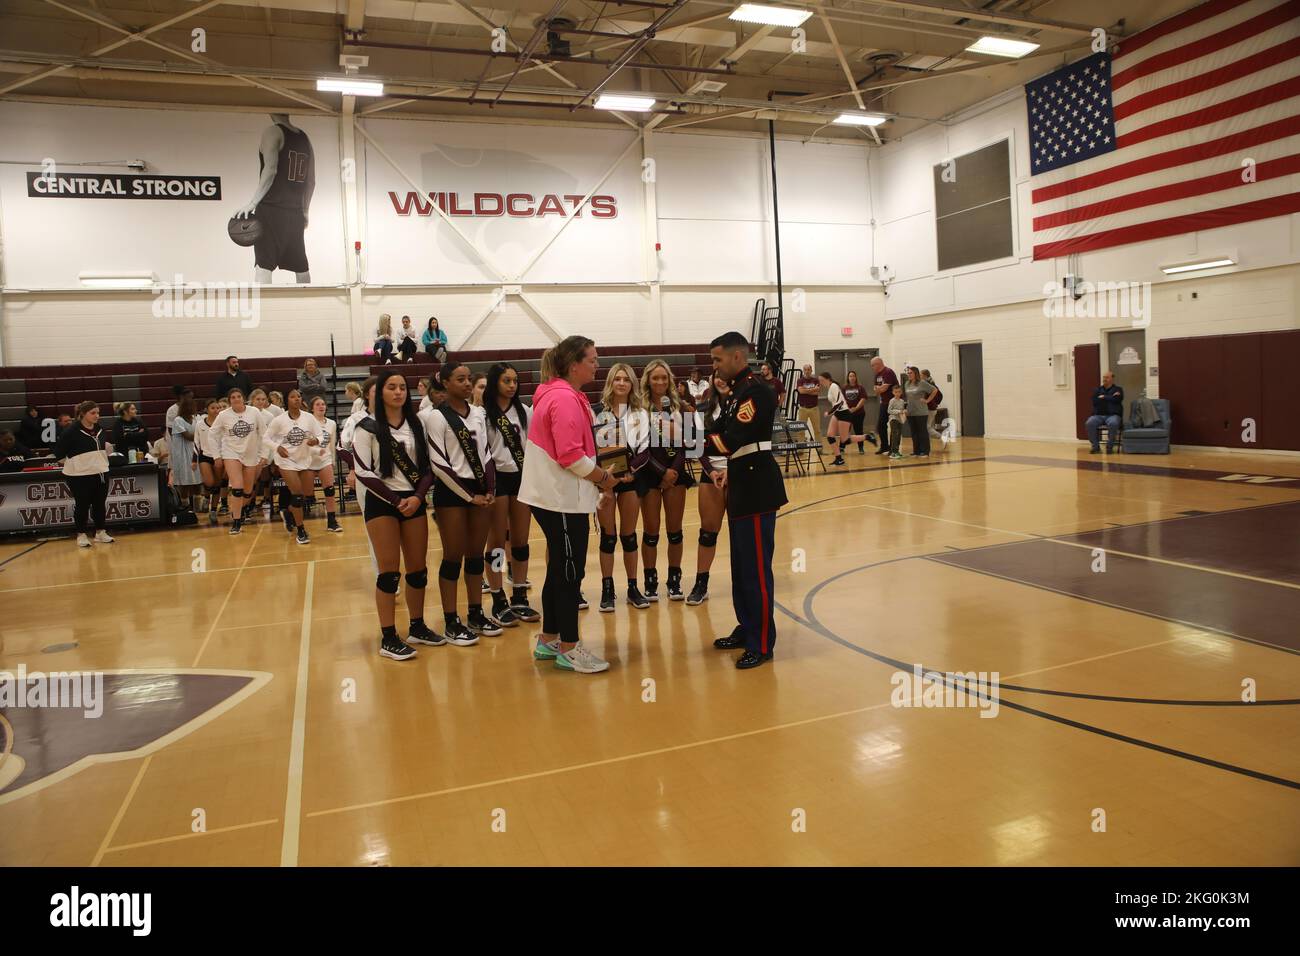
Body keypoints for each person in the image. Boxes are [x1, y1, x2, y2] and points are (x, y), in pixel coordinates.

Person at [517, 335, 619, 674]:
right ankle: (569, 647)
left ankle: (548, 639)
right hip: (559, 499)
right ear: (573, 364)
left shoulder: (563, 394)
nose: (597, 364)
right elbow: (570, 455)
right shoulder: (562, 399)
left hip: (559, 497)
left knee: (559, 568)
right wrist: (603, 479)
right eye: (592, 359)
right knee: (569, 572)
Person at [706, 332, 788, 669]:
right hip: (742, 481)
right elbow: (723, 429)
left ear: (738, 357)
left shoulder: (754, 391)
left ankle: (762, 641)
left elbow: (728, 439)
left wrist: (688, 438)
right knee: (741, 568)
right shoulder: (738, 391)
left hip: (756, 485)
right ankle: (748, 626)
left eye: (717, 359)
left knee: (755, 569)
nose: (714, 366)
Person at [352, 368, 438, 660]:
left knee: (418, 570)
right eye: (391, 387)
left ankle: (417, 626)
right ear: (380, 393)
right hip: (382, 504)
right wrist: (395, 500)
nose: (398, 392)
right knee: (389, 573)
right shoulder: (366, 427)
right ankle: (388, 636)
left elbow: (428, 468)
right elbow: (363, 470)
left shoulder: (416, 425)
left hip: (413, 502)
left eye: (402, 387)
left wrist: (416, 497)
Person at [420, 362, 500, 641]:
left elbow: (486, 453)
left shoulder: (477, 413)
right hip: (453, 494)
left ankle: (476, 613)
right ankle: (452, 619)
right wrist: (470, 496)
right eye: (460, 379)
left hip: (481, 492)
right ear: (445, 382)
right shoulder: (435, 417)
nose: (467, 384)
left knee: (476, 557)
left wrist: (489, 489)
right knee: (453, 557)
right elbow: (439, 465)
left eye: (469, 379)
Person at [482, 363, 540, 625]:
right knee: (495, 542)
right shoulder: (481, 415)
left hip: (521, 477)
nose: (512, 385)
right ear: (496, 383)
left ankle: (519, 595)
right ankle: (497, 597)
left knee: (520, 540)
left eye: (515, 381)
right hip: (496, 480)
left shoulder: (525, 411)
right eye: (506, 381)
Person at [593, 363, 650, 612]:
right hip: (604, 482)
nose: (622, 383)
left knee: (628, 536)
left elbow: (646, 449)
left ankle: (633, 587)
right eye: (617, 379)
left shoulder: (640, 413)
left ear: (632, 384)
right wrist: (605, 479)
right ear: (610, 383)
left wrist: (629, 472)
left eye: (626, 379)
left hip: (630, 481)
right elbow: (591, 448)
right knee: (608, 538)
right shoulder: (598, 413)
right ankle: (607, 589)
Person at [233, 112, 314, 284]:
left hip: (271, 209)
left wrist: (253, 203)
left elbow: (271, 169)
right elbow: (311, 181)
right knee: (301, 266)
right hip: (295, 212)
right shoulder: (305, 138)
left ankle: (264, 310)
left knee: (263, 266)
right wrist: (305, 210)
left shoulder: (272, 132)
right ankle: (306, 307)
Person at [637, 358, 694, 602]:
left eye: (664, 377)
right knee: (651, 532)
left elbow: (689, 443)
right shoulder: (638, 408)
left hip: (676, 472)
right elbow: (638, 448)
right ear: (648, 380)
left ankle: (674, 579)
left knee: (675, 531)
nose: (660, 381)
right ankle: (650, 579)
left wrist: (673, 472)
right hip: (650, 473)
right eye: (655, 377)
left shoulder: (682, 407)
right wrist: (661, 473)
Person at [688, 374, 733, 606]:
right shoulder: (701, 409)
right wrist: (711, 471)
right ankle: (701, 583)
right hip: (711, 474)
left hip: (740, 473)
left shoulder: (743, 406)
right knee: (708, 533)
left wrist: (732, 468)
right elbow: (694, 445)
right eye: (717, 376)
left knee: (741, 534)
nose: (721, 380)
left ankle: (744, 582)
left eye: (725, 376)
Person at [265, 389, 324, 545]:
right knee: (297, 495)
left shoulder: (309, 418)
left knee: (306, 495)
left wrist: (316, 441)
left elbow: (320, 435)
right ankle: (301, 530)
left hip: (304, 459)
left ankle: (288, 511)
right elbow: (266, 438)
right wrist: (277, 447)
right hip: (286, 461)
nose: (297, 399)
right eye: (292, 397)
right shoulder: (279, 420)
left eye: (298, 396)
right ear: (287, 401)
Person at [54, 400, 114, 548]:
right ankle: (81, 534)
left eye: (98, 413)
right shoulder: (71, 431)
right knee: (82, 505)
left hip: (101, 472)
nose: (97, 416)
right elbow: (59, 453)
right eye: (93, 413)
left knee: (99, 504)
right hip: (79, 475)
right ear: (82, 414)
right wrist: (77, 464)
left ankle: (100, 532)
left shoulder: (100, 429)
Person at [210, 388, 265, 535]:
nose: (236, 399)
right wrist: (216, 455)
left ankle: (237, 510)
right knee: (237, 488)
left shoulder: (254, 412)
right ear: (229, 401)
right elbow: (212, 435)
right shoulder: (223, 415)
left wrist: (264, 454)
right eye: (233, 397)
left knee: (247, 491)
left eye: (238, 396)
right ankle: (236, 522)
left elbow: (264, 433)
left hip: (251, 454)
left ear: (243, 398)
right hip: (231, 452)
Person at [307, 395, 343, 533]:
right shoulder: (308, 423)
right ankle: (290, 514)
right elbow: (306, 444)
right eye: (317, 404)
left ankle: (332, 521)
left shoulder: (331, 424)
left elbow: (332, 444)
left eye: (323, 404)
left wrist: (332, 460)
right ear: (312, 408)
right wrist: (316, 451)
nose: (321, 406)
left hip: (325, 460)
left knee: (330, 490)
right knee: (306, 494)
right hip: (309, 460)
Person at [195, 397, 227, 525]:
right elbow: (196, 442)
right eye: (213, 408)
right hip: (205, 456)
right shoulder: (200, 424)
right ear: (207, 409)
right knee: (209, 481)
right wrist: (193, 460)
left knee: (217, 485)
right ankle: (206, 497)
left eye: (218, 408)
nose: (216, 410)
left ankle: (213, 511)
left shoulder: (223, 424)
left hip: (219, 456)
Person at [169, 393, 203, 512]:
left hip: (194, 452)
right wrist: (200, 435)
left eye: (192, 405)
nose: (191, 408)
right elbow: (188, 436)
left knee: (197, 480)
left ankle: (198, 508)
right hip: (182, 454)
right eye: (188, 406)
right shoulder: (178, 420)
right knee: (185, 482)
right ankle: (185, 506)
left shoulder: (196, 419)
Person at [1086, 371, 1125, 454]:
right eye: (1104, 377)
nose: (1104, 379)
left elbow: (1117, 399)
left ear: (1112, 379)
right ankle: (1095, 447)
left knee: (1113, 423)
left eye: (1107, 377)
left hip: (1113, 415)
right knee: (1089, 423)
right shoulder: (1097, 390)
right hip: (1098, 415)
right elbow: (1095, 401)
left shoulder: (1118, 389)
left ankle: (1109, 447)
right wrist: (1111, 397)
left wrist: (1104, 397)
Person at [820, 372, 854, 467]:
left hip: (843, 413)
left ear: (828, 379)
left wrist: (829, 412)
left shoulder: (834, 386)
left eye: (822, 380)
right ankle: (839, 459)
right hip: (838, 413)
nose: (821, 382)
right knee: (830, 436)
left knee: (845, 440)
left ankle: (867, 437)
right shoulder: (830, 387)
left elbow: (839, 403)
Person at [903, 366, 936, 457]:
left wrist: (927, 400)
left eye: (911, 373)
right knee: (914, 432)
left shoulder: (922, 383)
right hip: (910, 411)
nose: (909, 374)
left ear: (915, 374)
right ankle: (916, 451)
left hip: (921, 411)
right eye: (908, 373)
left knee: (922, 432)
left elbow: (934, 390)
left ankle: (925, 451)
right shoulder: (906, 384)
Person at [869, 356, 899, 456]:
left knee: (893, 426)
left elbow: (884, 389)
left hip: (893, 403)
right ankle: (884, 446)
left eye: (873, 365)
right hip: (884, 403)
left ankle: (893, 448)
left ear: (879, 363)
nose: (872, 367)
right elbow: (876, 390)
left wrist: (879, 388)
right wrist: (879, 388)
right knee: (881, 426)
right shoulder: (877, 375)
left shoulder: (888, 372)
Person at [844, 370, 872, 455]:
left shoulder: (860, 387)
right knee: (844, 431)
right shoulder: (844, 388)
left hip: (859, 413)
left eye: (853, 376)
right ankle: (841, 447)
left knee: (858, 431)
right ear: (848, 378)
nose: (852, 378)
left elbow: (863, 399)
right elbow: (842, 399)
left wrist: (855, 408)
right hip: (847, 413)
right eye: (850, 376)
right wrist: (847, 409)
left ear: (856, 377)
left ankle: (861, 448)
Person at [794, 364, 822, 447]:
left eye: (808, 369)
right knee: (801, 430)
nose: (807, 371)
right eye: (805, 369)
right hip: (803, 408)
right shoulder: (800, 380)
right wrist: (813, 389)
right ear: (803, 371)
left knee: (817, 430)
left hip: (814, 408)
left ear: (811, 370)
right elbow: (801, 392)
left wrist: (806, 390)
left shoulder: (816, 380)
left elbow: (817, 392)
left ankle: (819, 448)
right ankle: (800, 448)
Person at [887, 384, 907, 460]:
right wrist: (899, 411)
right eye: (896, 392)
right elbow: (889, 410)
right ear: (893, 392)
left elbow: (902, 410)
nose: (897, 393)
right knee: (895, 435)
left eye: (899, 392)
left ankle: (897, 451)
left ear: (901, 392)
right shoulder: (892, 401)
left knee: (898, 435)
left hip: (900, 420)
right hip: (893, 419)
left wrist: (904, 412)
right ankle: (893, 452)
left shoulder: (902, 401)